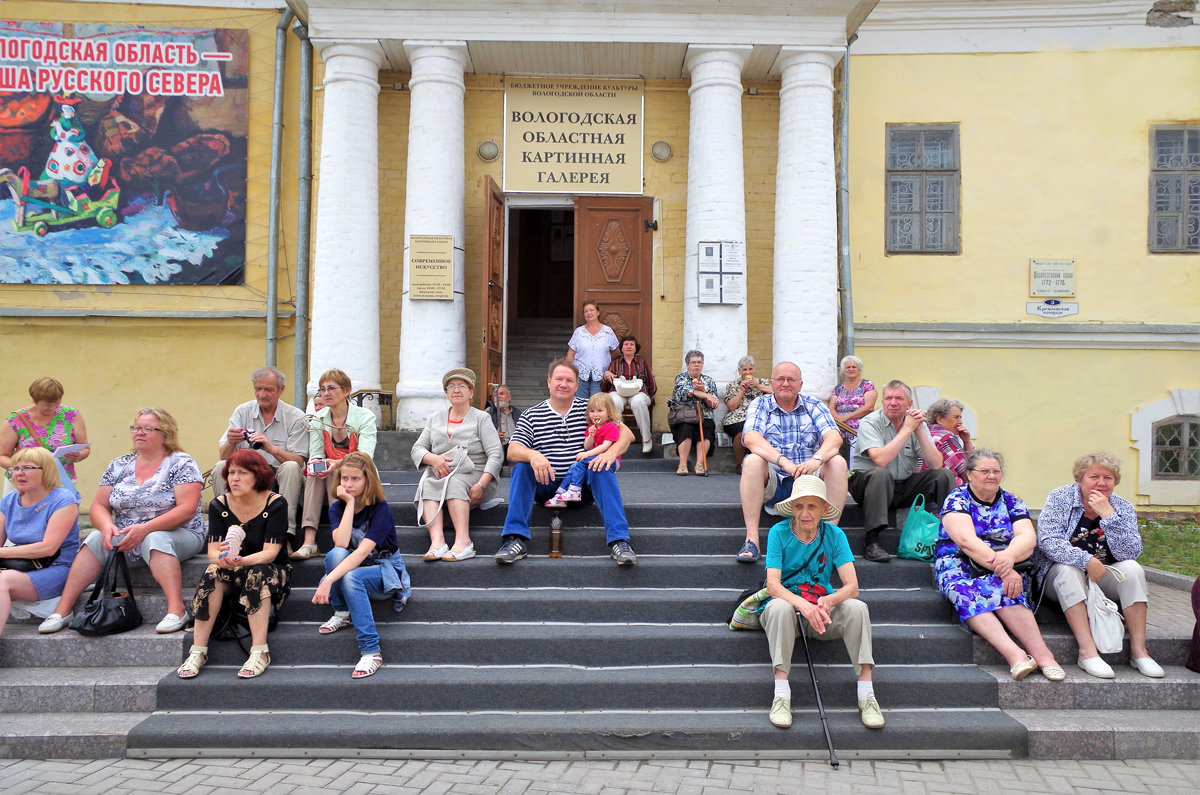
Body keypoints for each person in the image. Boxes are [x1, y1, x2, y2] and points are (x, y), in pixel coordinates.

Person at [39, 408, 204, 635]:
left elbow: (187, 509)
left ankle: (176, 609)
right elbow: (99, 505)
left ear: (166, 434)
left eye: (148, 428)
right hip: (128, 536)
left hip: (179, 533)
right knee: (96, 537)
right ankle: (63, 609)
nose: (139, 433)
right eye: (136, 428)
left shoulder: (181, 463)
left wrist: (145, 528)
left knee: (154, 537)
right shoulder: (119, 464)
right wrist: (107, 526)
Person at [760, 476, 884, 731]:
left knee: (858, 608)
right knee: (780, 606)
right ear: (792, 509)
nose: (804, 514)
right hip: (788, 613)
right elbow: (773, 585)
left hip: (822, 612)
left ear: (824, 509)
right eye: (798, 506)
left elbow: (852, 587)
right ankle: (781, 695)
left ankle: (867, 696)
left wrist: (829, 600)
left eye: (812, 506)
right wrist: (803, 605)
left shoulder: (835, 534)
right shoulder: (778, 532)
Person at [934, 449, 1065, 682]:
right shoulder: (957, 499)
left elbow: (1027, 538)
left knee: (1003, 585)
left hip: (1007, 562)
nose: (991, 476)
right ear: (969, 474)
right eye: (984, 471)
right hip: (959, 563)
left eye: (996, 471)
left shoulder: (1012, 501)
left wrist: (1008, 559)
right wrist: (1004, 568)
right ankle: (1016, 656)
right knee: (963, 590)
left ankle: (1044, 656)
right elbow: (966, 541)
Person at [494, 359, 637, 566]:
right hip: (546, 486)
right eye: (559, 379)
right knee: (522, 467)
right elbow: (513, 450)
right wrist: (534, 455)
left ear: (577, 385)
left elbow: (627, 433)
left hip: (582, 488)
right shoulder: (531, 415)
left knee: (601, 467)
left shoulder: (591, 408)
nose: (564, 384)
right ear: (549, 382)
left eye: (569, 380)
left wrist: (611, 452)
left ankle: (619, 541)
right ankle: (514, 540)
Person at [1033, 452, 1163, 679]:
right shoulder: (1060, 498)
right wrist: (1086, 560)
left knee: (1133, 569)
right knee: (1068, 569)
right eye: (1094, 477)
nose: (1102, 483)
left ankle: (1140, 652)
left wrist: (1110, 516)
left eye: (1108, 478)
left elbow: (1130, 552)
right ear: (1080, 479)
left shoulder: (1121, 506)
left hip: (1102, 575)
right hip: (1060, 577)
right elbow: (1048, 542)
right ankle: (1087, 652)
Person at [177, 450, 291, 680]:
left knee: (257, 573)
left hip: (270, 569)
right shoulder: (220, 504)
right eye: (231, 473)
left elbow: (270, 553)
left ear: (258, 475)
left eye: (242, 473)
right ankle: (197, 651)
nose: (234, 478)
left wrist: (241, 561)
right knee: (212, 573)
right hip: (233, 567)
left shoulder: (275, 503)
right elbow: (212, 551)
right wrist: (223, 560)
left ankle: (260, 651)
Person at [312, 451, 410, 679]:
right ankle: (342, 610)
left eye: (355, 479)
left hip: (385, 570)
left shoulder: (380, 509)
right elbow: (342, 543)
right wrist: (347, 504)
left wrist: (328, 579)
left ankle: (371, 651)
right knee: (335, 554)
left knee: (350, 576)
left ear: (368, 480)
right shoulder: (337, 508)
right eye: (344, 478)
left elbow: (363, 551)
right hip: (357, 565)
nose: (348, 483)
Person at [738, 362, 847, 564]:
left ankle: (829, 540)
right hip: (775, 480)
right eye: (780, 379)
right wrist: (783, 461)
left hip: (809, 480)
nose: (785, 383)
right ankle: (751, 539)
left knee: (838, 462)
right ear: (772, 382)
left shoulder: (814, 405)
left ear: (800, 384)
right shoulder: (760, 404)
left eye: (791, 379)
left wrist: (817, 459)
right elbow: (751, 438)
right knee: (752, 460)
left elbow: (835, 438)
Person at [848, 380, 955, 563]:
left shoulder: (915, 423)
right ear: (882, 402)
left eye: (899, 398)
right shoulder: (870, 422)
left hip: (901, 485)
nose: (893, 402)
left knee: (943, 475)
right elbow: (880, 460)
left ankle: (953, 534)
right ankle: (871, 541)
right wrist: (907, 429)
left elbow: (936, 463)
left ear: (909, 404)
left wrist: (919, 429)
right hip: (868, 486)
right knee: (881, 473)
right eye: (888, 398)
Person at [411, 368, 503, 562]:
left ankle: (463, 542)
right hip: (442, 474)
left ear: (471, 392)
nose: (456, 389)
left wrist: (481, 484)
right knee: (427, 483)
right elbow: (417, 449)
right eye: (451, 386)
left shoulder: (481, 418)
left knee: (455, 482)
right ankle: (437, 543)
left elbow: (496, 455)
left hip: (475, 474)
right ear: (446, 393)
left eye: (462, 385)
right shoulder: (435, 418)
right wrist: (432, 459)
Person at [212, 366, 307, 549]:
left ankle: (284, 535)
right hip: (247, 474)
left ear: (281, 390)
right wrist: (231, 442)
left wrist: (270, 448)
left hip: (278, 475)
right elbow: (224, 456)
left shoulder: (295, 417)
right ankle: (228, 530)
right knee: (219, 466)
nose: (262, 394)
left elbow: (299, 461)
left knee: (290, 467)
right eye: (258, 388)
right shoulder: (242, 411)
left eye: (268, 390)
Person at [295, 369, 378, 560]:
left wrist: (336, 464)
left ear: (347, 390)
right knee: (316, 473)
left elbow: (365, 457)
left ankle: (341, 539)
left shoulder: (365, 417)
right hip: (327, 482)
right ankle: (309, 541)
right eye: (322, 389)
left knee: (335, 471)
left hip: (361, 475)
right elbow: (315, 454)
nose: (326, 393)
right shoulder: (319, 418)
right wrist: (318, 464)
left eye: (331, 388)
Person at [0, 447, 80, 640]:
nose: (19, 473)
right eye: (16, 468)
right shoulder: (8, 500)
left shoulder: (63, 500)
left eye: (27, 468)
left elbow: (48, 547)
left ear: (46, 470)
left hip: (56, 567)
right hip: (20, 565)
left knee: (3, 581)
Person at [1, 377, 90, 494]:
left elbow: (85, 448)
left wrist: (79, 455)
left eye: (57, 403)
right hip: (24, 482)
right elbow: (2, 456)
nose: (53, 408)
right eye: (48, 405)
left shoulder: (71, 415)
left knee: (61, 511)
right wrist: (24, 469)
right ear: (35, 399)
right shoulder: (16, 420)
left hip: (60, 480)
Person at [545, 392, 623, 507]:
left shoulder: (611, 426)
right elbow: (587, 446)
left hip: (609, 460)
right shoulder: (592, 427)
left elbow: (605, 446)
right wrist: (590, 436)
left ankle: (575, 490)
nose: (595, 415)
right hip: (594, 456)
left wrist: (586, 454)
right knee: (574, 466)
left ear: (609, 412)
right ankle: (560, 493)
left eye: (600, 411)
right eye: (592, 411)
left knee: (580, 463)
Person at [601, 335, 657, 454]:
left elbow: (651, 383)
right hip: (618, 393)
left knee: (639, 402)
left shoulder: (642, 364)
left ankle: (646, 439)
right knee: (614, 402)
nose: (629, 346)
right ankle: (613, 438)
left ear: (636, 348)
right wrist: (606, 377)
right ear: (621, 348)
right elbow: (605, 388)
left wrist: (650, 396)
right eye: (626, 344)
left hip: (638, 393)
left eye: (632, 344)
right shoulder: (614, 363)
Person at [669, 350, 720, 477]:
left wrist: (703, 394)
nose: (696, 365)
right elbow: (685, 392)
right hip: (685, 415)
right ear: (687, 364)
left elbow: (713, 404)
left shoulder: (709, 380)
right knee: (686, 427)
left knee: (708, 426)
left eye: (699, 362)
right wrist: (705, 394)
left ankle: (699, 464)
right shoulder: (681, 378)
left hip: (704, 414)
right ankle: (682, 464)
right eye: (693, 362)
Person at [722, 355, 772, 474]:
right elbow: (731, 406)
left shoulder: (762, 382)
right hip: (736, 418)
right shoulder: (733, 385)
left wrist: (758, 386)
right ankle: (740, 464)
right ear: (739, 371)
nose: (747, 372)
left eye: (750, 369)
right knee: (741, 433)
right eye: (744, 370)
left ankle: (762, 464)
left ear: (754, 370)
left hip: (758, 417)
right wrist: (741, 391)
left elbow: (776, 392)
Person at [826, 356, 876, 469]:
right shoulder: (839, 388)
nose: (851, 369)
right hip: (840, 426)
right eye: (848, 367)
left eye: (854, 367)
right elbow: (831, 407)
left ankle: (854, 472)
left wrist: (846, 418)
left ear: (859, 370)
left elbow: (868, 407)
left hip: (859, 428)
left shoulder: (867, 385)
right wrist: (838, 420)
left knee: (855, 456)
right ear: (844, 371)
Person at [915, 398, 975, 486]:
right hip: (942, 494)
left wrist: (966, 442)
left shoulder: (922, 434)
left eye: (960, 417)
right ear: (940, 419)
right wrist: (967, 443)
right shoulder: (946, 437)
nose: (960, 422)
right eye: (956, 417)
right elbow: (968, 474)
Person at [566, 300, 619, 400]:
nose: (589, 313)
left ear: (598, 312)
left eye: (591, 310)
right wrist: (571, 371)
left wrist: (604, 359)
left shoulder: (607, 331)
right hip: (580, 374)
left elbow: (616, 351)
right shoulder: (579, 332)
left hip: (600, 375)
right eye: (586, 311)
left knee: (596, 403)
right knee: (580, 404)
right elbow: (571, 353)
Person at [485, 384, 521, 462]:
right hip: (496, 450)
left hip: (514, 450)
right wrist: (494, 436)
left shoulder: (517, 413)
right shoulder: (488, 413)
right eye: (495, 395)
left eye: (501, 394)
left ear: (509, 397)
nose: (498, 397)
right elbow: (481, 434)